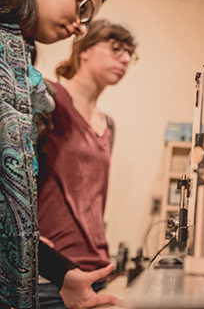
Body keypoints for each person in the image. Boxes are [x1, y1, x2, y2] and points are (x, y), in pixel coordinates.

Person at [0, 0, 119, 309]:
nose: (81, 28)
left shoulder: (21, 62)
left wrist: (61, 272)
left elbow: (10, 207)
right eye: (83, 7)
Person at [36, 19, 138, 309]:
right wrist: (29, 236)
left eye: (130, 53)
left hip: (96, 267)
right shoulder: (47, 97)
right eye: (116, 48)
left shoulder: (109, 125)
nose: (126, 59)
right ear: (84, 50)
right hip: (51, 272)